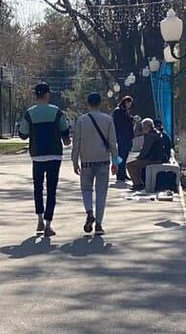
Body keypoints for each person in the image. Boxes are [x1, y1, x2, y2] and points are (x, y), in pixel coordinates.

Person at [17, 82, 71, 237]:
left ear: (36, 95)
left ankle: (39, 219)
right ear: (47, 94)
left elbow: (23, 134)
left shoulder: (29, 113)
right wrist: (66, 140)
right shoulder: (57, 111)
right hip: (54, 154)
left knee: (38, 188)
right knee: (51, 189)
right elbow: (65, 131)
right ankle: (48, 224)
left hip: (37, 154)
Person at [71, 92, 118, 235]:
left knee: (86, 189)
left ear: (88, 104)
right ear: (100, 103)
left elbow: (76, 142)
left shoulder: (81, 120)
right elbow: (113, 143)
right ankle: (98, 224)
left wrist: (75, 161)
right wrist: (115, 161)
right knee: (101, 192)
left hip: (86, 161)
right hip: (103, 161)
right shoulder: (108, 120)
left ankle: (89, 212)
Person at [126, 118, 160, 190]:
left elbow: (145, 150)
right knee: (136, 163)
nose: (143, 129)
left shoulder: (150, 136)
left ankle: (137, 184)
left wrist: (139, 157)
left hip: (152, 159)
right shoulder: (155, 133)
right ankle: (139, 182)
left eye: (144, 127)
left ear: (148, 126)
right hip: (156, 157)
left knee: (130, 165)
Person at [112, 96, 135, 184]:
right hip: (122, 137)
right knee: (121, 156)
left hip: (127, 136)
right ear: (125, 102)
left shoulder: (125, 111)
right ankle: (120, 174)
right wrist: (131, 120)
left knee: (125, 157)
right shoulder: (118, 111)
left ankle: (123, 173)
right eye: (129, 103)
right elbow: (120, 123)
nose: (129, 105)